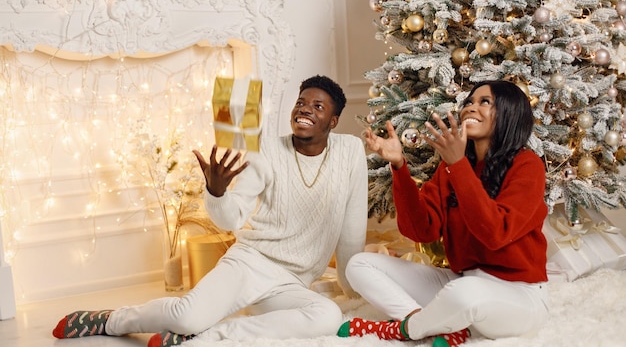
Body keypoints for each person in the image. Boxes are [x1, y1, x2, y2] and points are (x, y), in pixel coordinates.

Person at [51, 75, 368, 346]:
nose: (304, 110)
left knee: (327, 316)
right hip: (251, 263)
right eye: (301, 102)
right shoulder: (267, 151)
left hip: (292, 283)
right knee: (186, 315)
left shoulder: (350, 151)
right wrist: (217, 192)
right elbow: (232, 219)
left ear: (333, 120)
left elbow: (352, 228)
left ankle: (217, 335)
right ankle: (112, 320)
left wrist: (353, 290)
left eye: (317, 106)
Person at [338, 80, 549, 347]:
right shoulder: (453, 166)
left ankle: (406, 329)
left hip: (518, 296)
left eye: (485, 102)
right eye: (469, 102)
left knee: (462, 295)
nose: (471, 107)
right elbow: (420, 230)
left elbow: (496, 234)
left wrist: (458, 165)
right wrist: (399, 166)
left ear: (510, 113)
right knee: (359, 264)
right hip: (460, 280)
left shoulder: (527, 165)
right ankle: (431, 324)